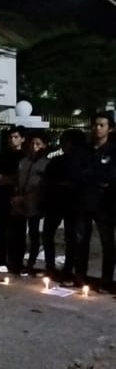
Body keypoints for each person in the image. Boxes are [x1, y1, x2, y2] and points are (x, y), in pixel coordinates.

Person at [76, 112, 116, 292]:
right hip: (84, 201)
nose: (97, 128)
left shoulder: (112, 151)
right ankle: (80, 276)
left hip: (104, 204)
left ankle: (106, 280)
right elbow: (78, 172)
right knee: (81, 240)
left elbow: (110, 176)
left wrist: (99, 179)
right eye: (95, 125)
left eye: (102, 125)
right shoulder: (85, 150)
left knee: (107, 243)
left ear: (110, 128)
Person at [42, 129, 86, 280]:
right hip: (54, 203)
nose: (63, 145)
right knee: (48, 234)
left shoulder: (83, 162)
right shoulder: (57, 161)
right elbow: (47, 180)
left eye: (66, 142)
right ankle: (50, 266)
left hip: (73, 204)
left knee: (71, 238)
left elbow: (82, 182)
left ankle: (68, 269)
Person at [9, 131, 50, 276]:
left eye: (38, 144)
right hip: (20, 201)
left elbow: (44, 186)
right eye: (32, 144)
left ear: (44, 146)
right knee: (19, 234)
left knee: (34, 234)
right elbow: (17, 179)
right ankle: (17, 262)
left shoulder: (46, 164)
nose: (34, 147)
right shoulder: (23, 161)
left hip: (35, 203)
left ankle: (31, 263)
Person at [0, 126, 26, 273]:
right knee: (1, 229)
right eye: (10, 137)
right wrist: (10, 179)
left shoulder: (25, 157)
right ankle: (2, 260)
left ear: (22, 139)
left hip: (18, 197)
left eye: (16, 137)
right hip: (3, 196)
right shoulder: (2, 156)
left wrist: (10, 179)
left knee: (18, 230)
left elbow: (22, 178)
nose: (12, 140)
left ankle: (17, 262)